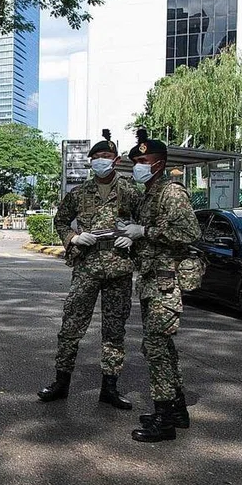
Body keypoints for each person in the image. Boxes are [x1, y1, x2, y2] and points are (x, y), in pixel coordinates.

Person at [39, 130, 143, 409]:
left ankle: (109, 388)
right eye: (96, 157)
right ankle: (61, 383)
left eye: (105, 156)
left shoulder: (131, 191)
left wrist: (135, 236)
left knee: (114, 330)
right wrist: (73, 238)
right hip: (87, 267)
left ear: (116, 160)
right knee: (71, 326)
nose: (100, 161)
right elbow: (61, 221)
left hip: (119, 268)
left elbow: (145, 223)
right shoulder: (79, 193)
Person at [120, 129, 201, 442]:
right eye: (136, 162)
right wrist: (132, 235)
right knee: (161, 348)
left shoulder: (171, 192)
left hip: (165, 285)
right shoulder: (149, 194)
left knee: (156, 349)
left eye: (144, 161)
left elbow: (190, 233)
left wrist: (145, 232)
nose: (139, 166)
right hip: (152, 281)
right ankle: (177, 411)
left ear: (160, 164)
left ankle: (164, 420)